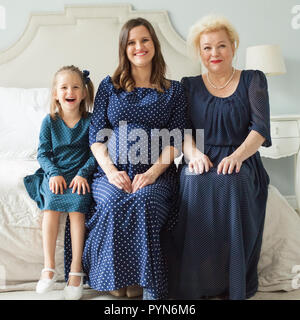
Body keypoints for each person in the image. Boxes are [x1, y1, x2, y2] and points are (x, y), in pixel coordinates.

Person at [166, 15, 272, 300]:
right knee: (193, 181)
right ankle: (199, 282)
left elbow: (260, 129)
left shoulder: (253, 79)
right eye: (207, 48)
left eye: (221, 46)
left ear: (234, 47)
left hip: (242, 158)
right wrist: (193, 154)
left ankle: (232, 283)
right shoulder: (187, 85)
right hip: (201, 155)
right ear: (199, 52)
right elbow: (181, 130)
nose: (214, 53)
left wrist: (237, 156)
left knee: (232, 181)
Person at [82, 17, 186, 300]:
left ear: (154, 44)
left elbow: (177, 140)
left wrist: (152, 174)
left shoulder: (173, 90)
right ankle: (118, 279)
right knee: (115, 201)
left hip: (157, 174)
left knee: (144, 201)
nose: (139, 47)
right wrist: (112, 172)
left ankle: (147, 286)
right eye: (131, 42)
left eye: (144, 40)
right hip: (110, 173)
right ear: (124, 49)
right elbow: (96, 137)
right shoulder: (109, 86)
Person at [24, 65, 96, 300]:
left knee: (77, 209)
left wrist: (83, 174)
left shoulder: (90, 122)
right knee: (51, 206)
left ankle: (76, 270)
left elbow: (96, 153)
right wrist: (53, 173)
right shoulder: (50, 121)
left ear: (83, 93)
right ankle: (48, 267)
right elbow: (43, 153)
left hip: (78, 175)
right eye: (64, 87)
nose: (70, 91)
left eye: (75, 86)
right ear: (55, 93)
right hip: (55, 172)